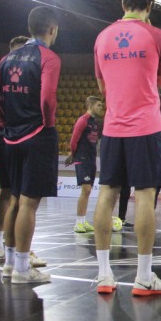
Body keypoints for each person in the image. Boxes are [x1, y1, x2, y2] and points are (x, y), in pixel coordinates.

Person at [90, 0, 161, 296]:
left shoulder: (101, 38)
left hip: (113, 128)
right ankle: (143, 277)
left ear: (122, 4)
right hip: (146, 127)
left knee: (107, 195)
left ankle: (103, 275)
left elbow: (102, 89)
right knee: (146, 197)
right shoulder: (157, 36)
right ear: (149, 6)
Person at [0, 7, 61, 284]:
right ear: (52, 30)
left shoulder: (8, 58)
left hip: (11, 136)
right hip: (37, 135)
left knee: (14, 199)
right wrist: (47, 124)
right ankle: (23, 269)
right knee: (29, 204)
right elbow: (48, 96)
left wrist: (3, 122)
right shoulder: (48, 58)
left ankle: (11, 263)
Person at [0, 36, 46, 267]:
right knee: (23, 198)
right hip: (20, 135)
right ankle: (20, 252)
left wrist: (0, 122)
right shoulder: (17, 66)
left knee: (6, 192)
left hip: (4, 134)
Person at [65, 96, 104, 233]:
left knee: (87, 192)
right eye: (98, 105)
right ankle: (78, 222)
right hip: (82, 158)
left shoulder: (94, 122)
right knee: (86, 190)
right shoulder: (83, 120)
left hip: (91, 159)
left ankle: (83, 220)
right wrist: (73, 154)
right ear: (91, 105)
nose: (101, 108)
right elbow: (74, 140)